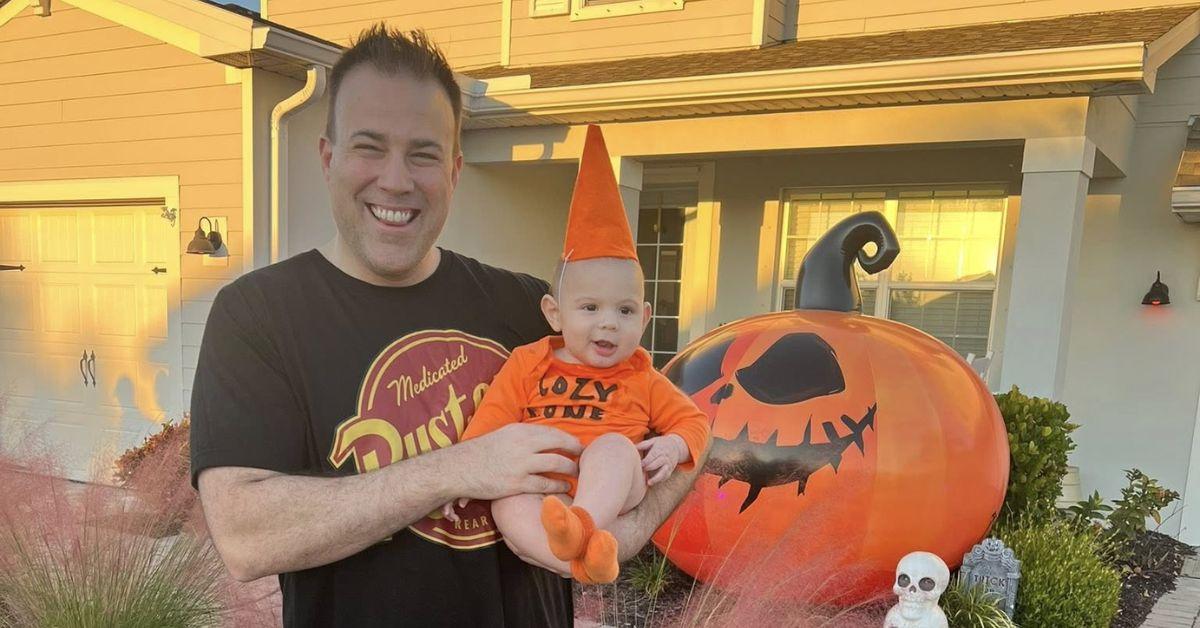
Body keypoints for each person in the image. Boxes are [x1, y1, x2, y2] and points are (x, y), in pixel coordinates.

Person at [189, 24, 709, 628]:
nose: (396, 179)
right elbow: (245, 536)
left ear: (455, 170)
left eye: (423, 153)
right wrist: (459, 468)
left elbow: (692, 433)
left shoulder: (528, 307)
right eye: (369, 147)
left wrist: (617, 532)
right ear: (328, 158)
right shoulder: (258, 314)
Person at [441, 125, 710, 585]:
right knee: (508, 502)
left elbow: (696, 422)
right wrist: (461, 476)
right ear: (554, 313)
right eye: (590, 308)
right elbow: (491, 421)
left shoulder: (642, 375)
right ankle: (580, 560)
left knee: (612, 449)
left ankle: (582, 526)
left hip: (610, 489)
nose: (608, 322)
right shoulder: (529, 361)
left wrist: (674, 444)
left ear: (644, 317)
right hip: (542, 486)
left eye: (625, 311)